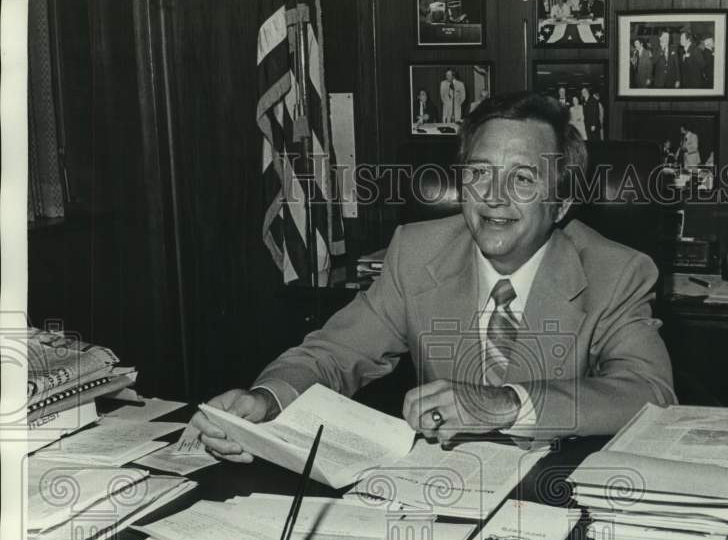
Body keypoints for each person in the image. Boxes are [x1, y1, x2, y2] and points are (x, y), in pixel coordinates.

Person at [191, 92, 675, 455]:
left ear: (562, 202)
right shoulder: (416, 252)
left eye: (523, 178)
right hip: (439, 489)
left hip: (556, 496)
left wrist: (502, 403)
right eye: (479, 173)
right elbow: (332, 354)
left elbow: (649, 394)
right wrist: (267, 399)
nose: (494, 196)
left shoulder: (617, 271)